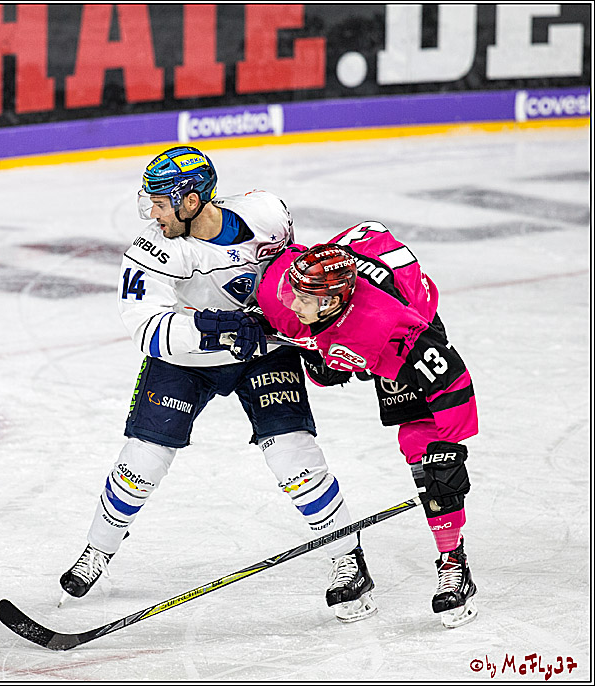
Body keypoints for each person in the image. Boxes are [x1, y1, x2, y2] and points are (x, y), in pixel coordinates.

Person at [59, 146, 377, 623]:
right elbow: (147, 329)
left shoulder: (268, 213)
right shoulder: (152, 250)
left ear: (191, 201)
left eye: (161, 203)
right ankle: (99, 549)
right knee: (141, 462)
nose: (152, 214)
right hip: (186, 358)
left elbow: (296, 279)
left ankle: (348, 561)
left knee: (293, 456)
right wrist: (216, 328)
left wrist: (323, 334)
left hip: (264, 353)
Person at [250, 220, 479, 628]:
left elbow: (451, 378)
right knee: (328, 364)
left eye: (303, 299)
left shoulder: (390, 328)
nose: (292, 304)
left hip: (405, 314)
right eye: (294, 291)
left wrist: (452, 444)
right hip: (359, 273)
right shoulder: (282, 285)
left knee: (427, 454)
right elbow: (293, 303)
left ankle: (453, 562)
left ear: (333, 302)